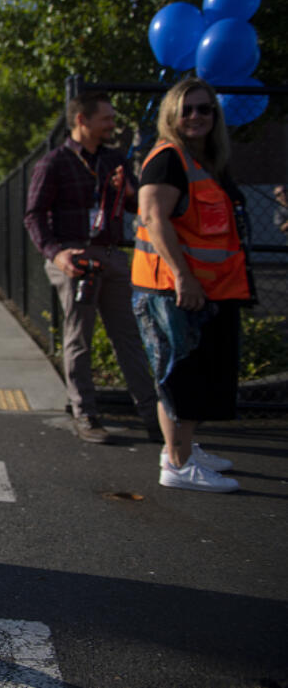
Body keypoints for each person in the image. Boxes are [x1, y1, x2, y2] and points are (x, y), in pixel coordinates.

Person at [131, 78, 249, 493]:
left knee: (194, 375)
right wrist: (183, 276)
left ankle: (179, 449)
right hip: (173, 290)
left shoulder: (201, 161)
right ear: (172, 116)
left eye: (206, 109)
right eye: (188, 109)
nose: (197, 116)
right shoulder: (167, 159)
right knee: (178, 376)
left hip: (204, 290)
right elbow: (153, 218)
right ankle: (178, 464)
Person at [23, 92, 158, 444]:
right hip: (75, 259)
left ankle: (153, 415)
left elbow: (135, 206)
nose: (113, 125)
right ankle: (86, 415)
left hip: (111, 255)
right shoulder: (53, 163)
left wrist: (128, 189)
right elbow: (34, 216)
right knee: (78, 338)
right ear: (82, 120)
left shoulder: (115, 160)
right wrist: (57, 255)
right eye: (107, 119)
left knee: (127, 337)